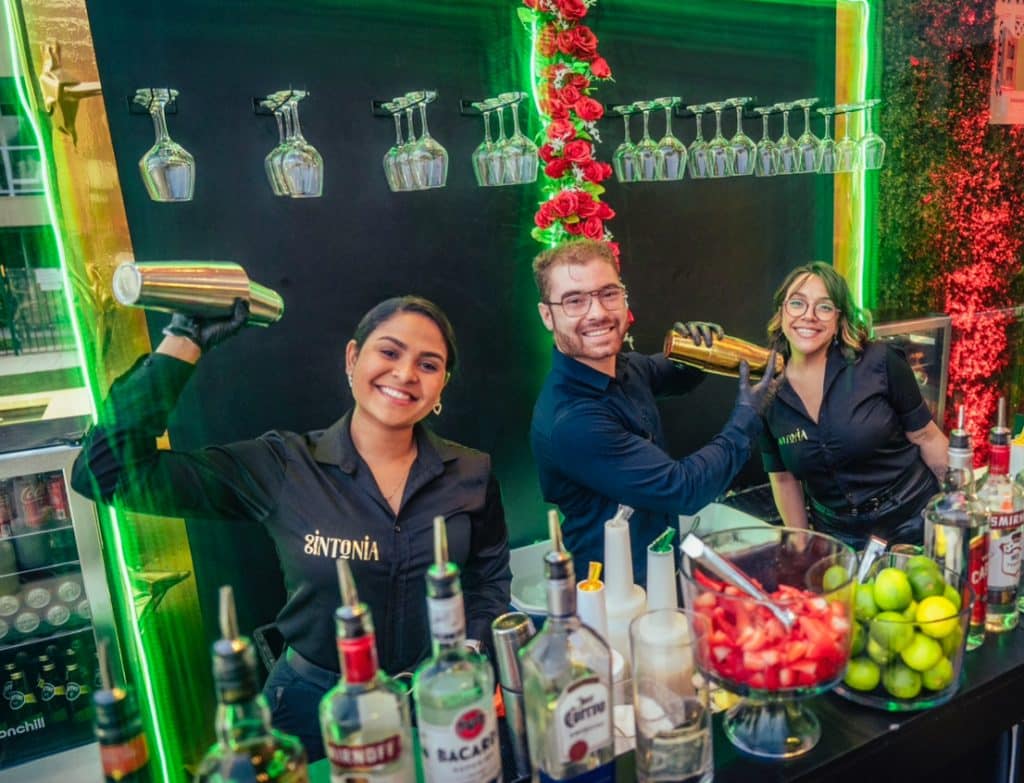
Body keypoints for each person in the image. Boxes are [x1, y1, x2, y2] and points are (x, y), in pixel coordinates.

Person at [71, 295, 512, 760]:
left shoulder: (470, 471)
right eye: (389, 351)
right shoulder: (283, 465)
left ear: (442, 385)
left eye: (428, 364)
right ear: (352, 357)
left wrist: (471, 655)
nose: (405, 373)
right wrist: (184, 342)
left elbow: (487, 578)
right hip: (311, 710)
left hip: (433, 702)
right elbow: (103, 473)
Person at [529, 239, 779, 585]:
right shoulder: (572, 421)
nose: (598, 312)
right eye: (574, 300)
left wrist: (698, 353)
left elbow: (672, 375)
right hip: (612, 596)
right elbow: (683, 489)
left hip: (661, 569)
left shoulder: (625, 366)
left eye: (608, 294)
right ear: (547, 315)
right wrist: (746, 420)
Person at [759, 261, 948, 548]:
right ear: (782, 312)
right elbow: (783, 479)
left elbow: (927, 437)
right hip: (838, 537)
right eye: (797, 303)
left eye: (824, 307)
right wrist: (802, 545)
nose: (808, 316)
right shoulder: (765, 393)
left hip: (913, 518)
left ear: (838, 320)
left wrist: (961, 506)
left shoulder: (880, 362)